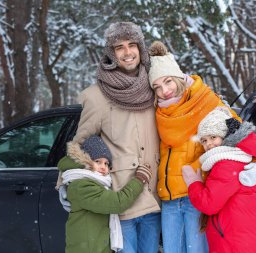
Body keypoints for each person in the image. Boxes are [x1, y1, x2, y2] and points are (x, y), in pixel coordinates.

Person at [148, 41, 256, 253]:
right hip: (169, 199)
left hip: (198, 197)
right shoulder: (158, 113)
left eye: (168, 82)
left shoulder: (206, 102)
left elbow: (242, 137)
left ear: (177, 77)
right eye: (157, 87)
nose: (165, 91)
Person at [56, 22, 161, 253]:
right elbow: (80, 145)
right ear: (111, 53)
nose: (127, 52)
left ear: (140, 48)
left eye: (132, 45)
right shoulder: (97, 97)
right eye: (119, 47)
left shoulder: (156, 87)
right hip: (121, 199)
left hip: (155, 196)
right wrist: (67, 181)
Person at [182, 107, 256, 253]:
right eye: (204, 140)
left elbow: (209, 204)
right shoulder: (235, 158)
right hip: (239, 238)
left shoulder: (226, 163)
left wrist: (193, 184)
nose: (209, 144)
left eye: (213, 137)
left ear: (225, 136)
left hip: (233, 241)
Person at [58, 135, 152, 253]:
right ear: (84, 161)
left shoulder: (93, 183)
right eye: (98, 161)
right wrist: (139, 179)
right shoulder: (82, 186)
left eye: (106, 163)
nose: (103, 167)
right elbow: (118, 202)